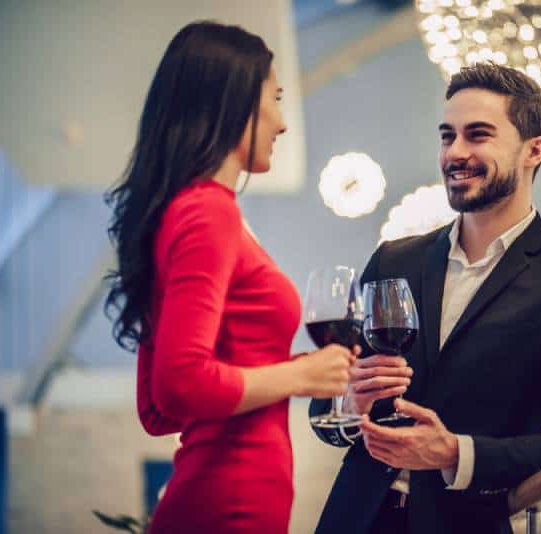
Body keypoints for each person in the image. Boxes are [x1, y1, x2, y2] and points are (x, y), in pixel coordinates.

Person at [309, 62, 541, 534]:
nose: (455, 152)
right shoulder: (394, 260)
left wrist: (457, 454)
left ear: (534, 150)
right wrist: (350, 401)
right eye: (447, 135)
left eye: (477, 135)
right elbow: (323, 415)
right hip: (354, 518)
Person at [104, 21, 354, 534]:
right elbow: (180, 387)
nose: (282, 123)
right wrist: (301, 376)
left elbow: (157, 410)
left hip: (215, 492)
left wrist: (304, 369)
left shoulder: (184, 210)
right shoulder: (207, 212)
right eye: (276, 98)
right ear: (233, 101)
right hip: (233, 501)